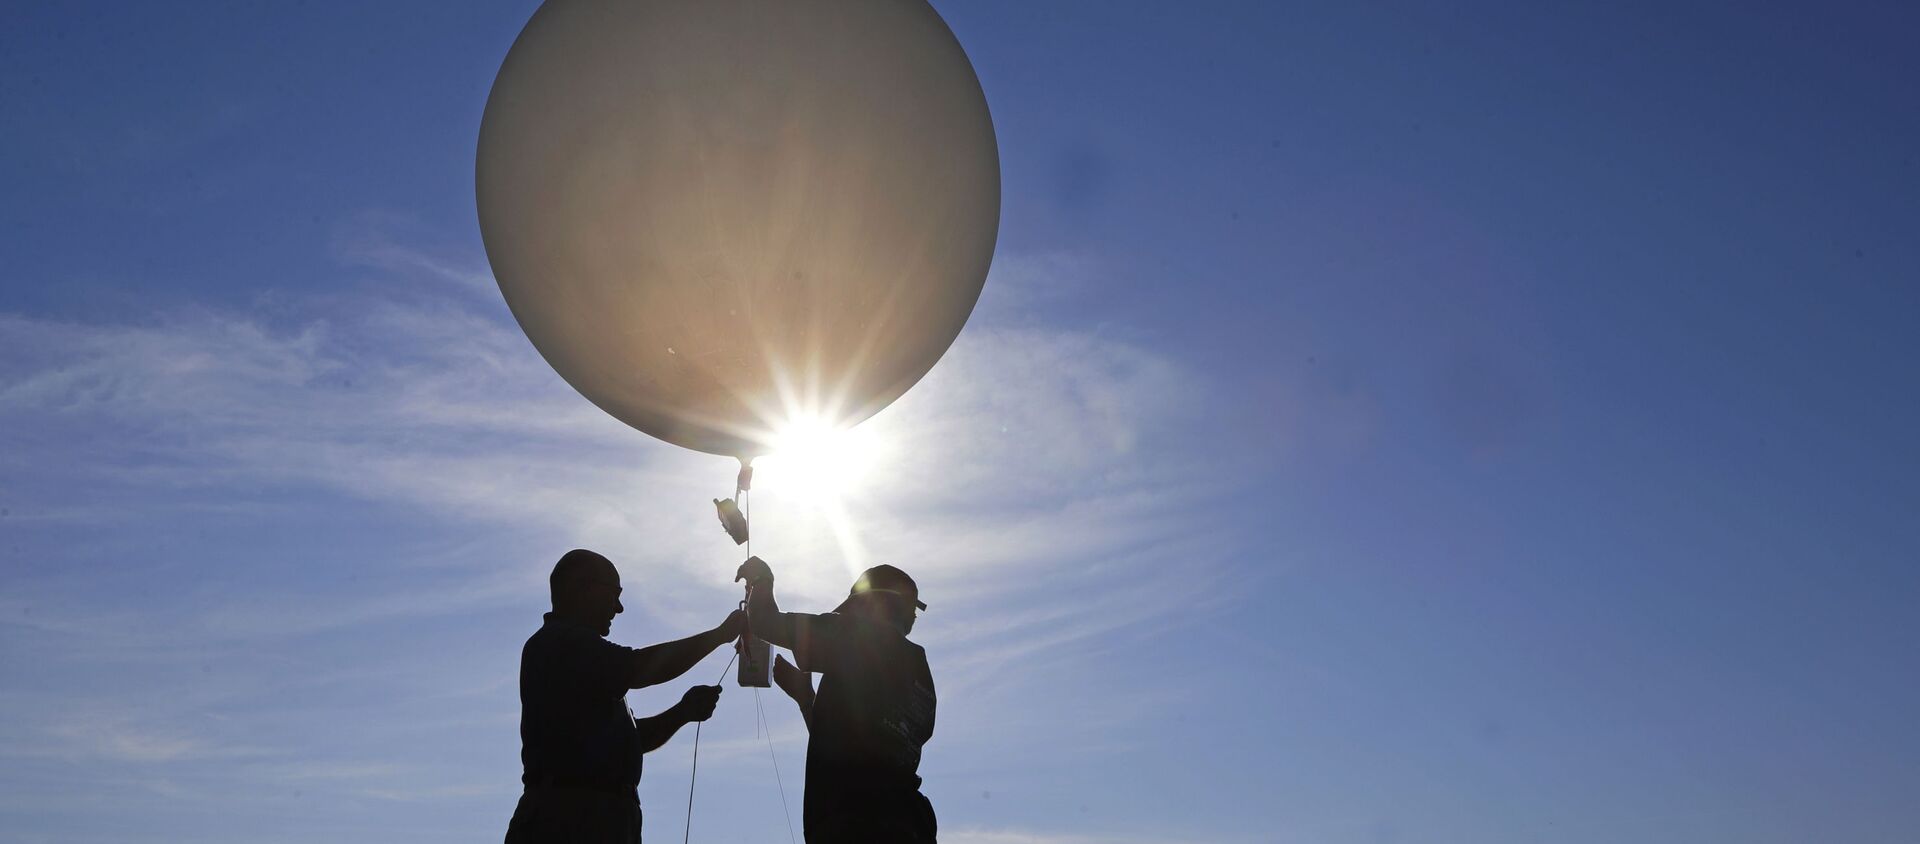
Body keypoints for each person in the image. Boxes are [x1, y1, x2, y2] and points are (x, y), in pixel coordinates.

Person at [505, 548, 744, 844]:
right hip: (570, 820)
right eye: (613, 593)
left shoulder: (581, 655)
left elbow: (633, 741)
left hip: (599, 820)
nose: (618, 608)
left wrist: (682, 712)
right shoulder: (560, 644)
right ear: (581, 588)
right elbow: (640, 668)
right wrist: (720, 635)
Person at [736, 556, 937, 843]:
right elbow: (856, 745)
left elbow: (765, 622)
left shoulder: (855, 636)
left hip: (856, 827)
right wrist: (807, 699)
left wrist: (762, 579)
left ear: (870, 605)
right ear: (909, 618)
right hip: (909, 826)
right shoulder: (920, 673)